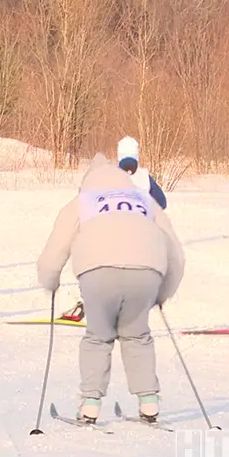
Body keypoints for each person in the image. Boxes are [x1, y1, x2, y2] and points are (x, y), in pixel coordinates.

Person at [36, 153, 185, 423]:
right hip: (147, 271)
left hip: (97, 270)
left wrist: (50, 281)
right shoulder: (144, 200)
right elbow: (175, 253)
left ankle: (90, 406)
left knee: (98, 336)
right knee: (137, 335)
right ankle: (149, 404)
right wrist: (163, 293)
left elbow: (56, 247)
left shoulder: (83, 201)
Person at [60, 136, 168, 322]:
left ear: (118, 155)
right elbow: (162, 203)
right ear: (137, 154)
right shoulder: (144, 178)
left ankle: (87, 307)